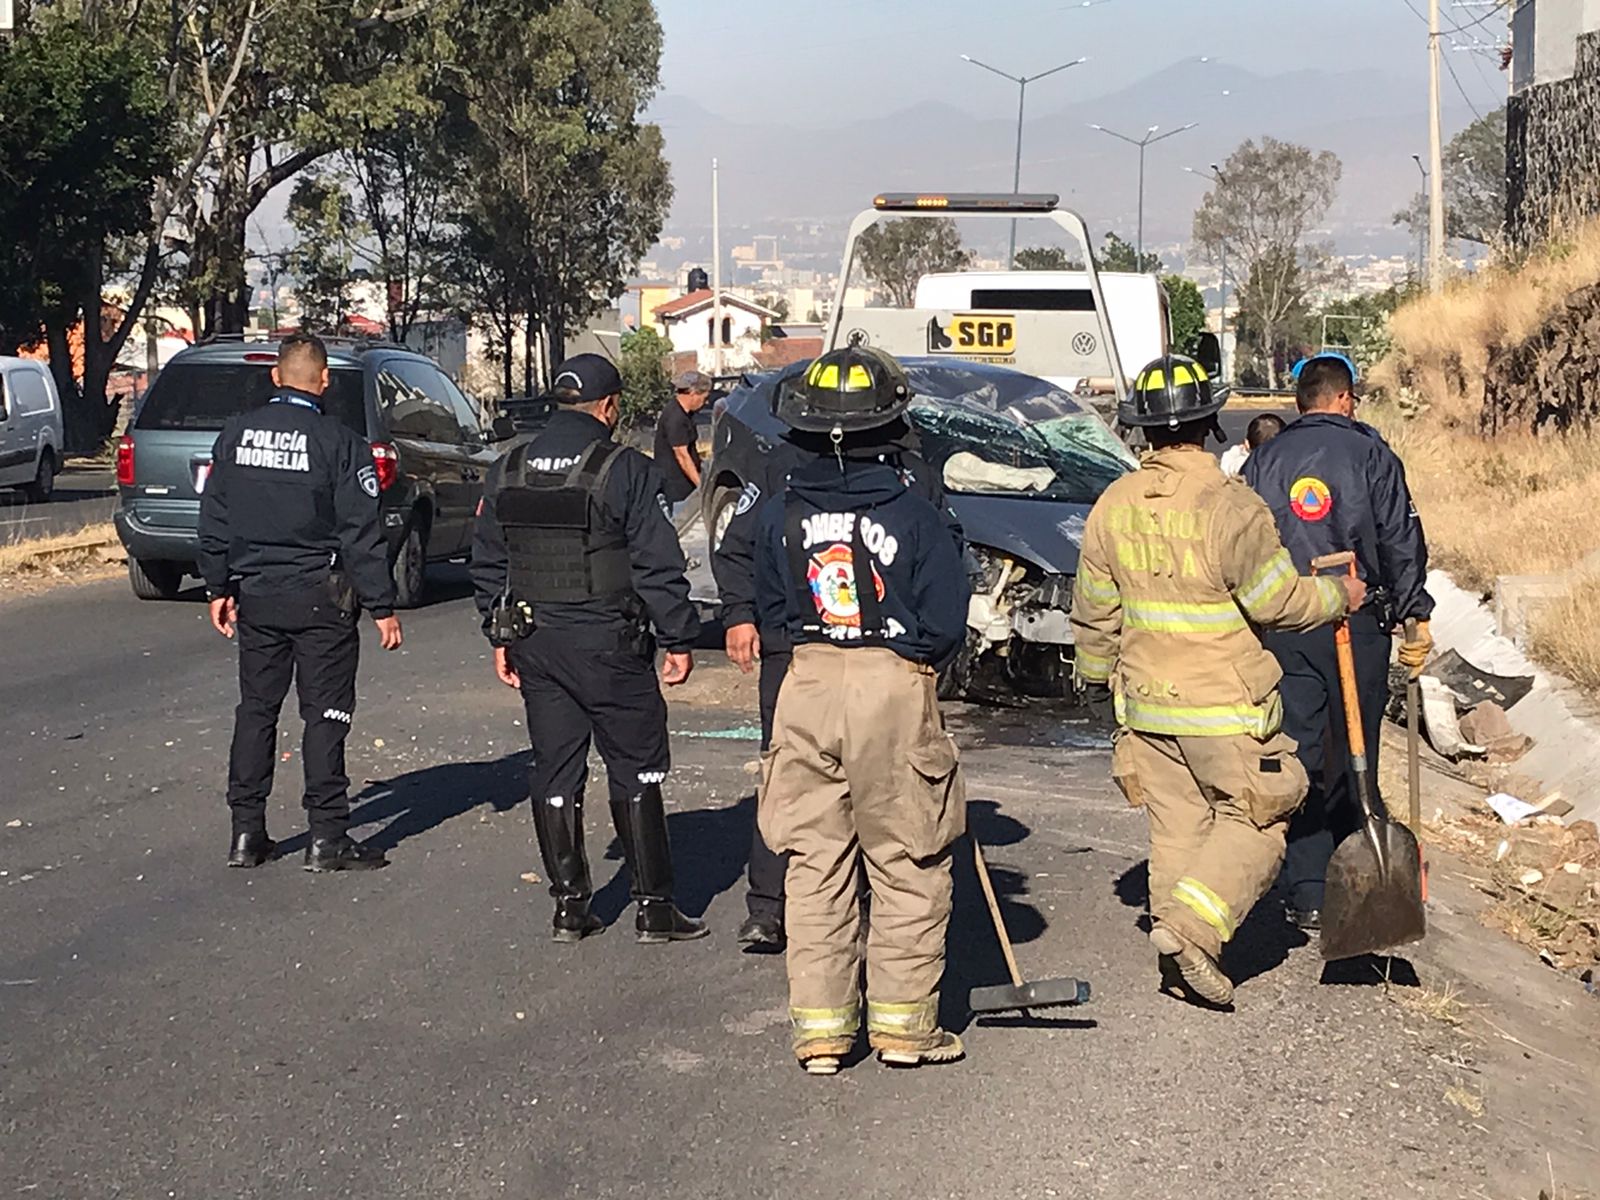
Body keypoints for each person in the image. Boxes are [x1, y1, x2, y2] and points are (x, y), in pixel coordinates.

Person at [1070, 354, 1365, 1007]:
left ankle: (1179, 961)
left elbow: (1093, 609)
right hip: (1224, 703)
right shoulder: (1230, 505)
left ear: (1141, 430)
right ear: (1208, 422)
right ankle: (1192, 930)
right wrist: (1338, 595)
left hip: (1145, 705)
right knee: (1262, 817)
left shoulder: (1112, 504)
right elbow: (1276, 603)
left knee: (1177, 827)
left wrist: (1095, 680)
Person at [754, 346, 970, 1075]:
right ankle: (904, 1031)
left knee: (815, 863)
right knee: (907, 856)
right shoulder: (915, 514)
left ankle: (821, 1033)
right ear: (893, 427)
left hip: (807, 685)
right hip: (893, 686)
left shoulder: (776, 515)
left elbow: (773, 607)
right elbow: (944, 622)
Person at [471, 353, 707, 945]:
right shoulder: (623, 468)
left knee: (555, 768)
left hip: (535, 642)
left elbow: (489, 562)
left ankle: (570, 908)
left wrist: (496, 633)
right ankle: (654, 908)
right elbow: (657, 562)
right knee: (637, 766)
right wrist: (678, 636)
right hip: (608, 641)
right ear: (609, 406)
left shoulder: (509, 466)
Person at [712, 371, 952, 953]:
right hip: (807, 661)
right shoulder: (779, 469)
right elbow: (738, 546)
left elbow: (939, 551)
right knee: (791, 786)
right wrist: (739, 614)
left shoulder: (912, 473)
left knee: (868, 797)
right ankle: (770, 906)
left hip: (847, 663)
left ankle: (855, 911)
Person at [197, 332, 402, 872]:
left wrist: (217, 586)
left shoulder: (236, 434)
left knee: (256, 711)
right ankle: (327, 835)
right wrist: (382, 605)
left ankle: (246, 832)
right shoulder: (339, 442)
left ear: (275, 377)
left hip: (257, 595)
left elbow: (214, 518)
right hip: (320, 598)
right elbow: (362, 531)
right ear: (325, 381)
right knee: (325, 715)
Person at [1243, 352, 1434, 931]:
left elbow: (1243, 546)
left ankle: (1305, 886)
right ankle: (1356, 877)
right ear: (1346, 400)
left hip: (1286, 625)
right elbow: (1400, 537)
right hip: (1358, 625)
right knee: (1355, 749)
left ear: (1301, 402)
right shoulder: (1372, 452)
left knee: (1297, 749)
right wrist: (1414, 613)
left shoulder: (1264, 460)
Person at [654, 370, 712, 517]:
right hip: (676, 489)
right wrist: (702, 487)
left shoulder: (685, 414)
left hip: (684, 484)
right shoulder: (676, 418)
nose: (706, 402)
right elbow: (682, 456)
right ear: (693, 394)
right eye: (704, 398)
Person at [1219, 413, 1285, 477]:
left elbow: (1227, 463)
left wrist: (1237, 449)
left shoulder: (1242, 465)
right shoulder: (1287, 467)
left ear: (1247, 444)